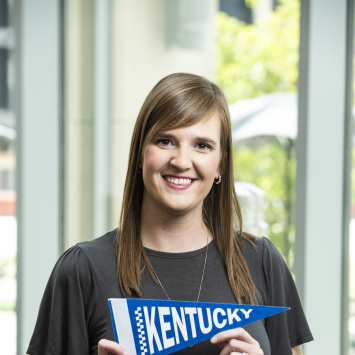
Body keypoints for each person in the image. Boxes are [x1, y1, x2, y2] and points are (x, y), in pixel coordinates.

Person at [27, 73, 313, 355]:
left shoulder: (262, 263)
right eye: (165, 141)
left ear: (221, 166)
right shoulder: (82, 270)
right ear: (140, 153)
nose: (181, 161)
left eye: (202, 145)